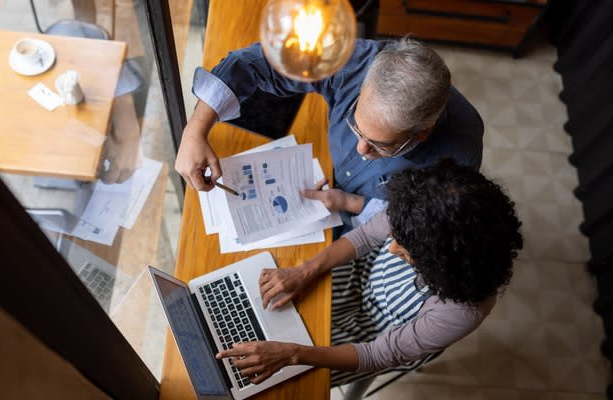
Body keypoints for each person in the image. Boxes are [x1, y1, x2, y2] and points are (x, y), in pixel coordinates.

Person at [215, 159, 523, 393]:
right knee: (267, 313)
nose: (391, 250)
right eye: (396, 238)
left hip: (376, 337)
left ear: (442, 266)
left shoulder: (463, 311)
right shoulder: (421, 208)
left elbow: (378, 354)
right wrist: (303, 270)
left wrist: (293, 354)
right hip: (361, 278)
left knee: (286, 382)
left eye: (407, 252)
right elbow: (364, 239)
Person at [176, 37, 484, 231]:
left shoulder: (460, 152)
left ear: (421, 133)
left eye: (382, 145)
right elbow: (251, 63)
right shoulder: (357, 63)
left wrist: (350, 204)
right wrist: (195, 129)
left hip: (363, 222)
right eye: (356, 125)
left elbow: (418, 221)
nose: (362, 149)